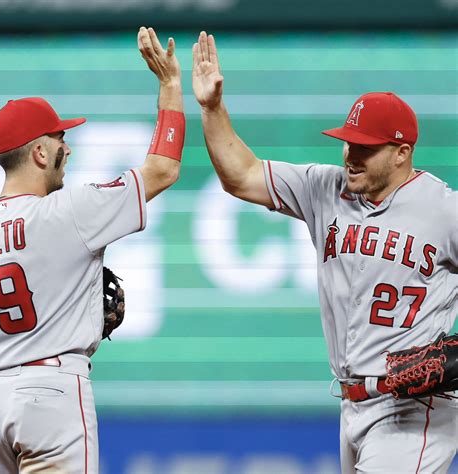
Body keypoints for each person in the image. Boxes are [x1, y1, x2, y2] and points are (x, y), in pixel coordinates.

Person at [192, 31, 457, 473]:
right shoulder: (325, 187)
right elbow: (241, 175)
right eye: (348, 141)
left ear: (402, 152)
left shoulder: (443, 209)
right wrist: (211, 108)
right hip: (350, 404)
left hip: (413, 409)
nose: (351, 154)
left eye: (366, 148)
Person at [0, 27, 184, 473]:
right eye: (58, 141)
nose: (67, 149)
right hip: (49, 393)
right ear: (38, 152)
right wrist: (170, 87)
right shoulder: (70, 209)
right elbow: (163, 169)